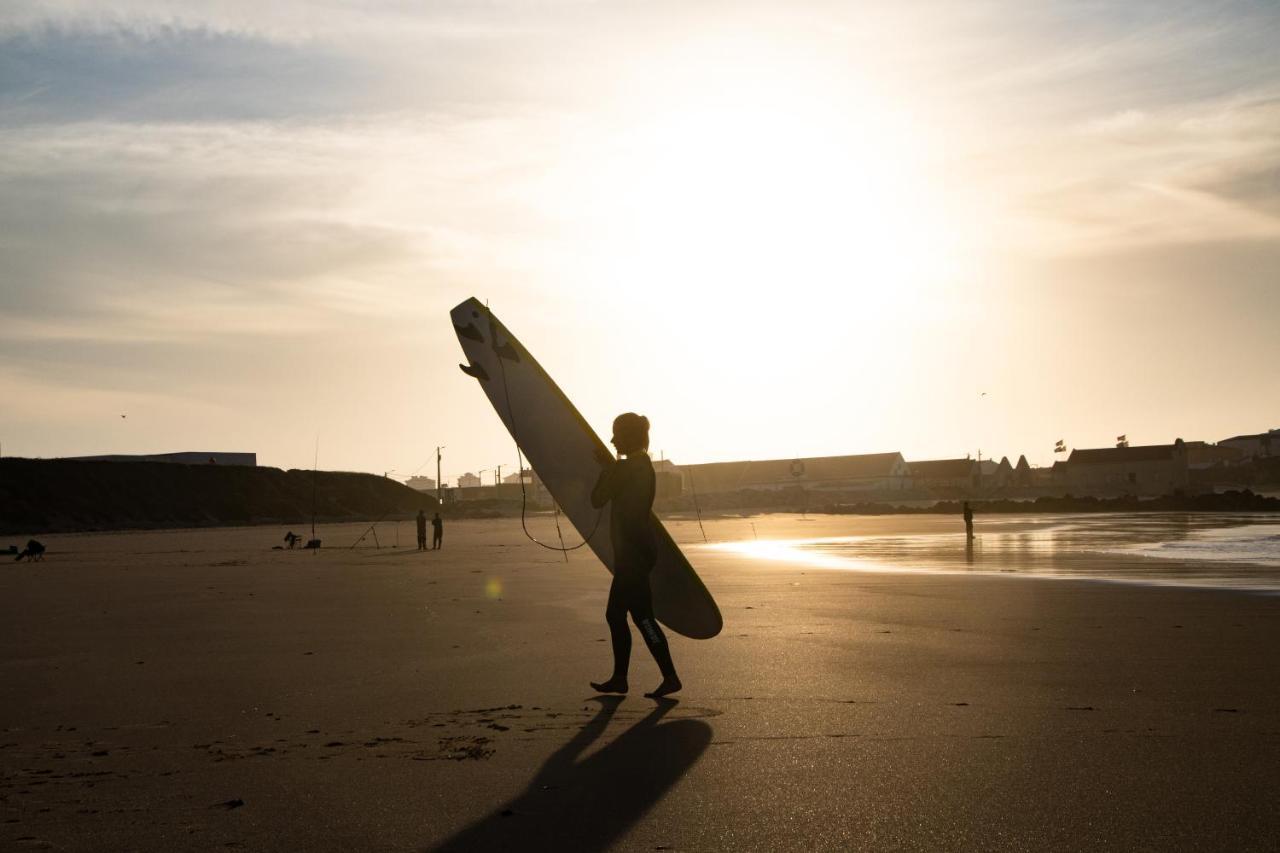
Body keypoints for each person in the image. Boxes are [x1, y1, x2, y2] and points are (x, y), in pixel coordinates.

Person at [588, 412, 681, 698]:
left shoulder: (626, 469)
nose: (613, 439)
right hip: (638, 550)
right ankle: (663, 677)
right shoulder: (642, 465)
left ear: (629, 436)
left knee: (619, 615)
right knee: (640, 617)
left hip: (633, 554)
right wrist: (613, 467)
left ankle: (626, 678)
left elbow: (596, 499)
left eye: (617, 434)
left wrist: (607, 470)